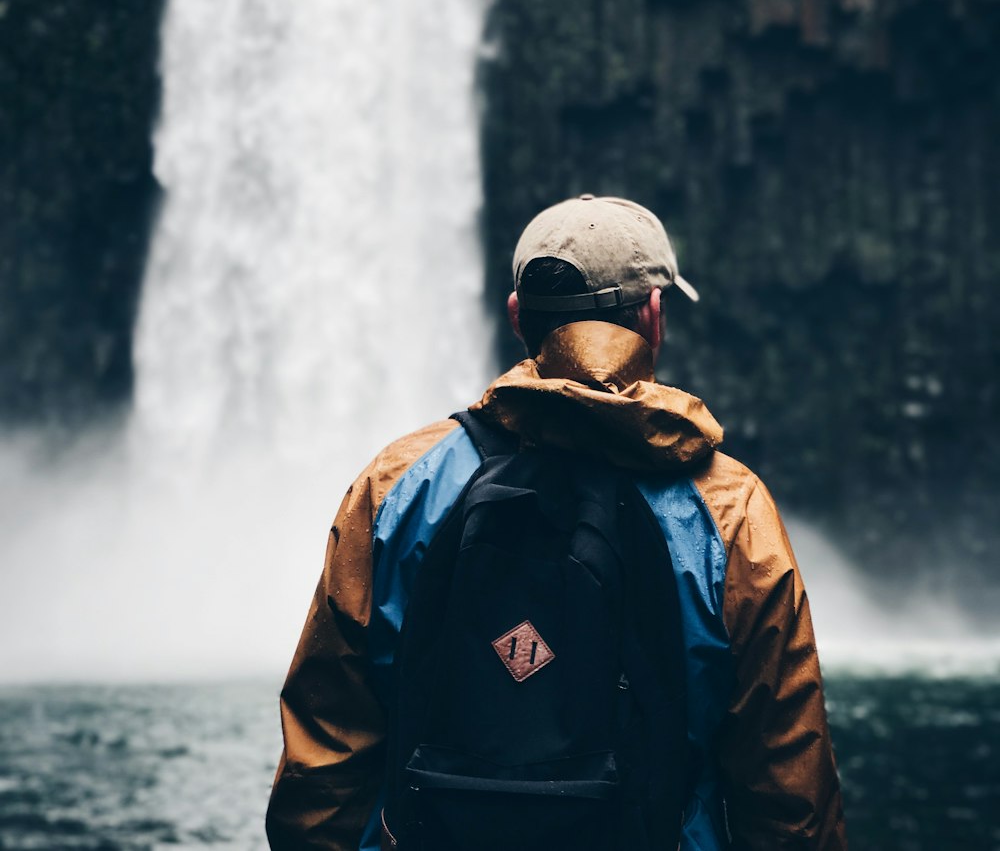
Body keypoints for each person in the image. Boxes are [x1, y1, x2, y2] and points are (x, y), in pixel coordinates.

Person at [266, 194, 848, 850]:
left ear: (519, 318)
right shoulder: (731, 509)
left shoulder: (398, 484)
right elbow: (785, 780)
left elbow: (326, 746)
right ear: (653, 315)